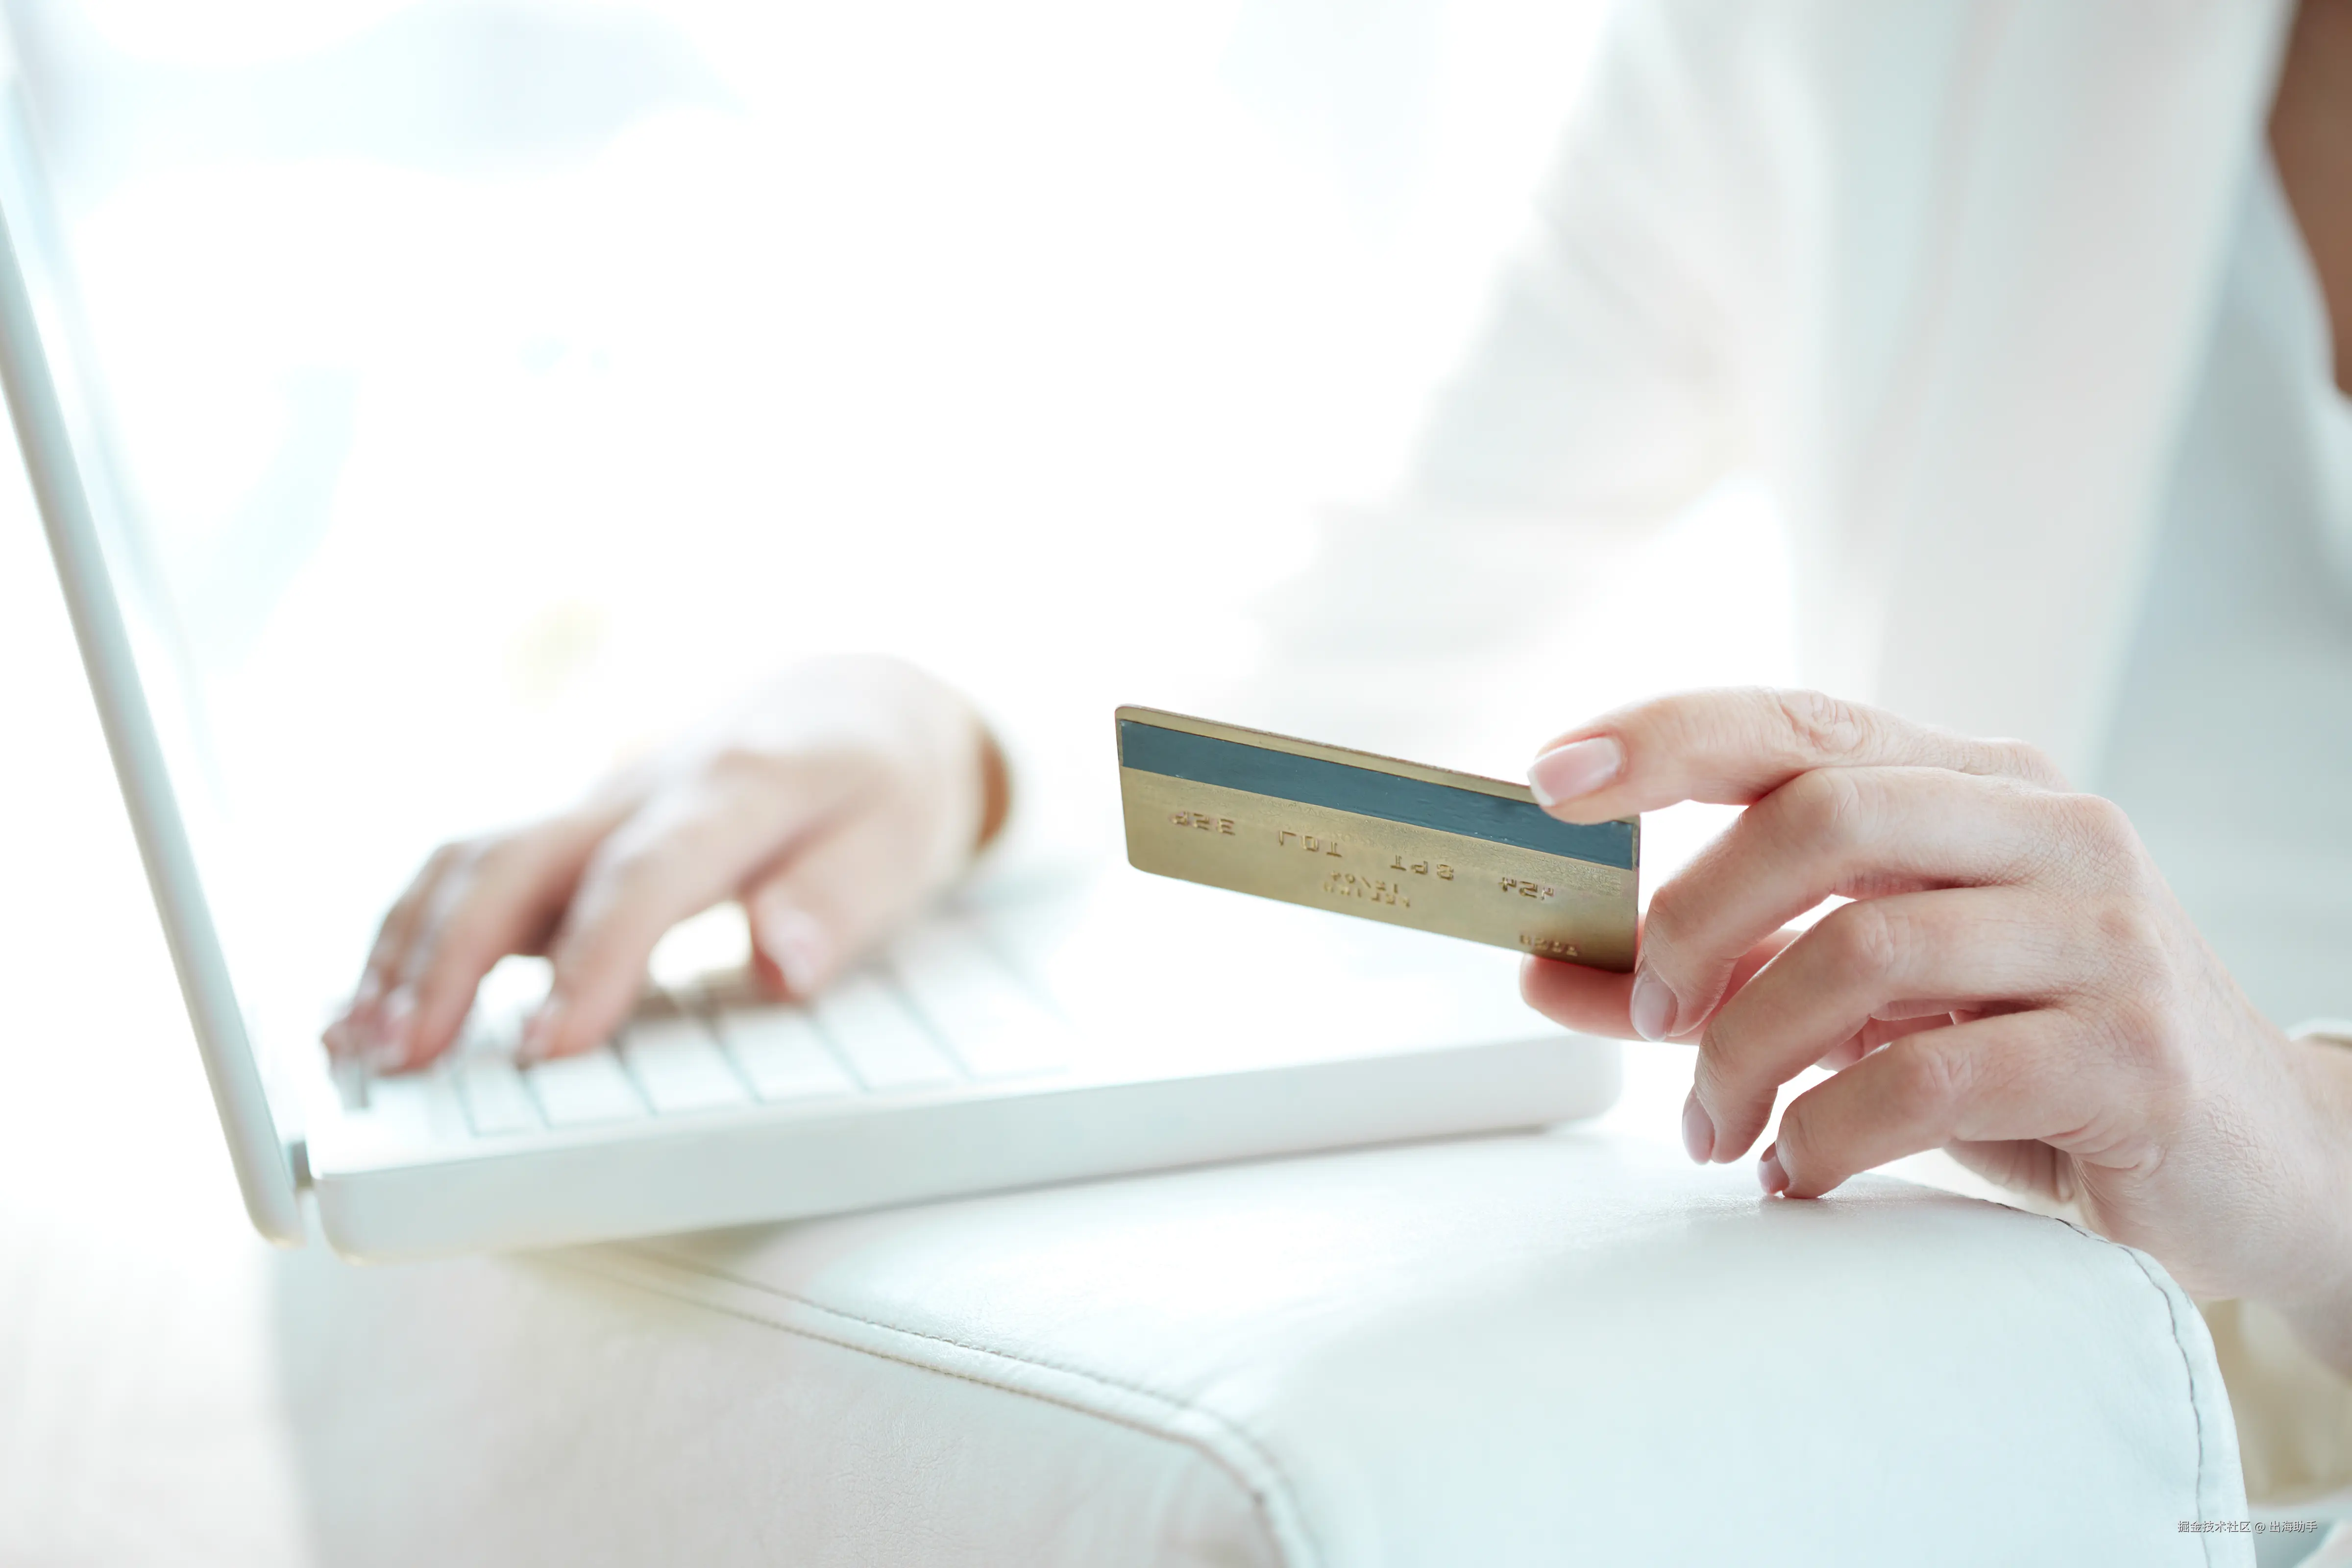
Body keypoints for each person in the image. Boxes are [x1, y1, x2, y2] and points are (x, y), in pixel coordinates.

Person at [324, 0, 2352, 1501]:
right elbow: (1330, 636)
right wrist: (940, 731)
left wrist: (2303, 1144)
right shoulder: (1848, 46)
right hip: (2004, 1433)